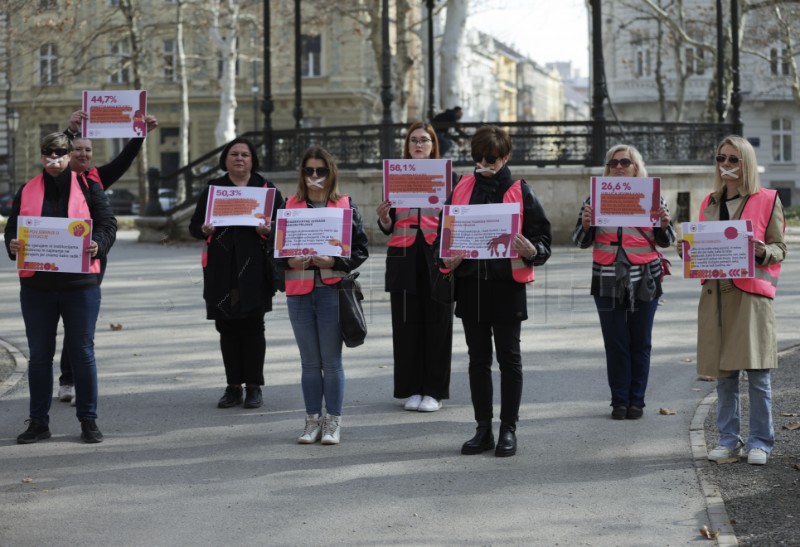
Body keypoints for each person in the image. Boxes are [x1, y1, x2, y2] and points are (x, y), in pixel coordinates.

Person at [439, 125, 551, 457]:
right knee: (477, 360)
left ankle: (508, 429)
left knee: (509, 359)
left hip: (506, 287)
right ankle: (483, 429)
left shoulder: (522, 191)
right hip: (471, 286)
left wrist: (532, 250)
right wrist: (447, 258)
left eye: (490, 159)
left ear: (505, 157)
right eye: (478, 158)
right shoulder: (461, 188)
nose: (483, 164)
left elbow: (543, 240)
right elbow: (441, 241)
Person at [4, 132, 117, 444]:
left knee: (82, 352)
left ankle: (88, 421)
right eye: (48, 152)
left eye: (60, 153)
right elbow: (13, 227)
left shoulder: (89, 187)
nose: (54, 157)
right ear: (42, 156)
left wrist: (99, 244)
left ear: (69, 156)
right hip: (37, 287)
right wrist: (12, 244)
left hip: (80, 285)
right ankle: (38, 422)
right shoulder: (27, 189)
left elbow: (108, 224)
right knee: (40, 356)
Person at [56, 110, 159, 406]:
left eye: (88, 150)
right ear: (69, 153)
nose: (84, 154)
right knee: (65, 318)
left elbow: (124, 160)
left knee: (81, 320)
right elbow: (56, 150)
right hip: (59, 258)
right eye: (78, 150)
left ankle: (72, 380)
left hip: (92, 258)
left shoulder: (97, 177)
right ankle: (67, 377)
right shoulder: (60, 176)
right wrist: (70, 129)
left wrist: (140, 134)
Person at [694, 136, 786, 466]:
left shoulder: (767, 199)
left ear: (745, 163)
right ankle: (729, 440)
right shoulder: (710, 202)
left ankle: (761, 441)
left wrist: (764, 251)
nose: (726, 165)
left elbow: (780, 249)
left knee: (758, 375)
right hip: (717, 295)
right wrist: (689, 252)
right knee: (725, 376)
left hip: (752, 298)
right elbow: (706, 247)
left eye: (733, 160)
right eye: (721, 159)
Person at [572, 144, 675, 420]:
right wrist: (585, 224)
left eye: (625, 162)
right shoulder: (593, 200)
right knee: (615, 342)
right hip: (606, 278)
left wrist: (664, 226)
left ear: (636, 167)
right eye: (613, 163)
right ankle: (619, 401)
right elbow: (580, 242)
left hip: (646, 278)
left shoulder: (654, 198)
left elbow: (668, 240)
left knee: (640, 342)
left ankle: (636, 402)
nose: (618, 167)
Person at [189, 137, 284, 409]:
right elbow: (194, 226)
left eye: (245, 154)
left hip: (255, 269)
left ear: (253, 160)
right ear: (225, 159)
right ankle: (233, 387)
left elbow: (283, 228)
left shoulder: (267, 190)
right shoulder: (213, 190)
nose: (239, 158)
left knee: (253, 326)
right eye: (234, 154)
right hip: (221, 269)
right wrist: (204, 230)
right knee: (227, 327)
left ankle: (254, 386)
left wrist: (270, 229)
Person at [282, 146, 369, 445]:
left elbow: (361, 250)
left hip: (332, 291)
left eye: (321, 170)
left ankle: (333, 421)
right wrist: (287, 261)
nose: (315, 176)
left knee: (331, 362)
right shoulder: (289, 205)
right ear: (302, 175)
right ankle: (311, 422)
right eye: (309, 171)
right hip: (299, 293)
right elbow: (274, 254)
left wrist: (334, 262)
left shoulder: (346, 205)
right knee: (309, 362)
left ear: (331, 173)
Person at [376, 122, 453, 413]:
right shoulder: (393, 177)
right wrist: (384, 219)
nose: (419, 145)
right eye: (413, 141)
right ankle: (412, 389)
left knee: (438, 324)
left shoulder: (449, 177)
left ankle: (434, 391)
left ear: (433, 145)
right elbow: (389, 224)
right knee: (406, 325)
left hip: (436, 255)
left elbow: (455, 218)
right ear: (407, 147)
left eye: (424, 140)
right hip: (403, 255)